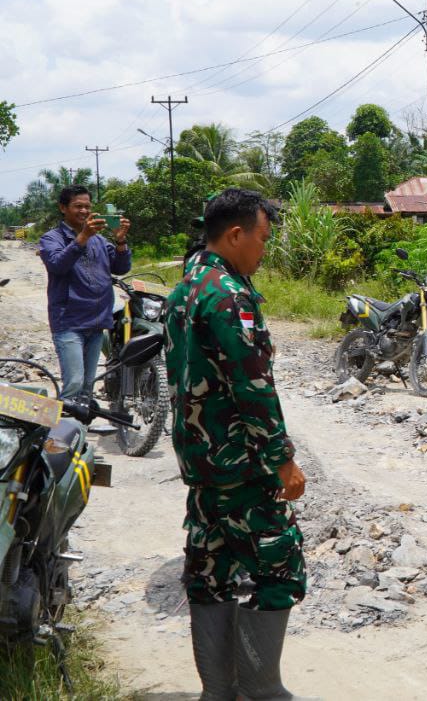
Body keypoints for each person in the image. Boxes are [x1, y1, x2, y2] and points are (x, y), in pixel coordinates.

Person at [164, 188, 309, 700]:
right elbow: (252, 386)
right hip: (240, 465)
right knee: (281, 566)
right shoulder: (228, 294)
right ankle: (262, 690)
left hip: (201, 464)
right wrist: (282, 460)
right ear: (235, 234)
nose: (264, 251)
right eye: (262, 239)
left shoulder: (185, 287)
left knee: (209, 571)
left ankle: (218, 692)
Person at [38, 185, 131, 401]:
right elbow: (57, 265)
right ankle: (60, 433)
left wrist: (120, 241)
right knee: (74, 383)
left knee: (87, 386)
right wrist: (82, 238)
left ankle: (79, 430)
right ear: (63, 208)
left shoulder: (99, 240)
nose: (83, 211)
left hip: (96, 322)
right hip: (69, 322)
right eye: (77, 206)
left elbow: (121, 267)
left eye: (87, 207)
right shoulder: (51, 238)